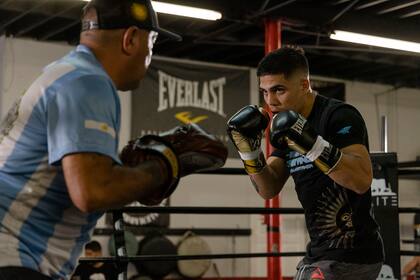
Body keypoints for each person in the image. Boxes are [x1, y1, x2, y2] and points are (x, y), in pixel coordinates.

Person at [0, 0, 201, 279]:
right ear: (130, 39)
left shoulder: (64, 73)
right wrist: (166, 166)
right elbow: (93, 191)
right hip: (15, 258)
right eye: (152, 42)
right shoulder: (88, 83)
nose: (150, 53)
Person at [227, 46, 384, 280]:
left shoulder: (338, 116)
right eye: (265, 92)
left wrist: (313, 145)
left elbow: (361, 180)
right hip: (320, 253)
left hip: (352, 253)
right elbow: (268, 188)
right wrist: (249, 153)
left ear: (304, 84)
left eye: (278, 90)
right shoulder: (285, 127)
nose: (271, 101)